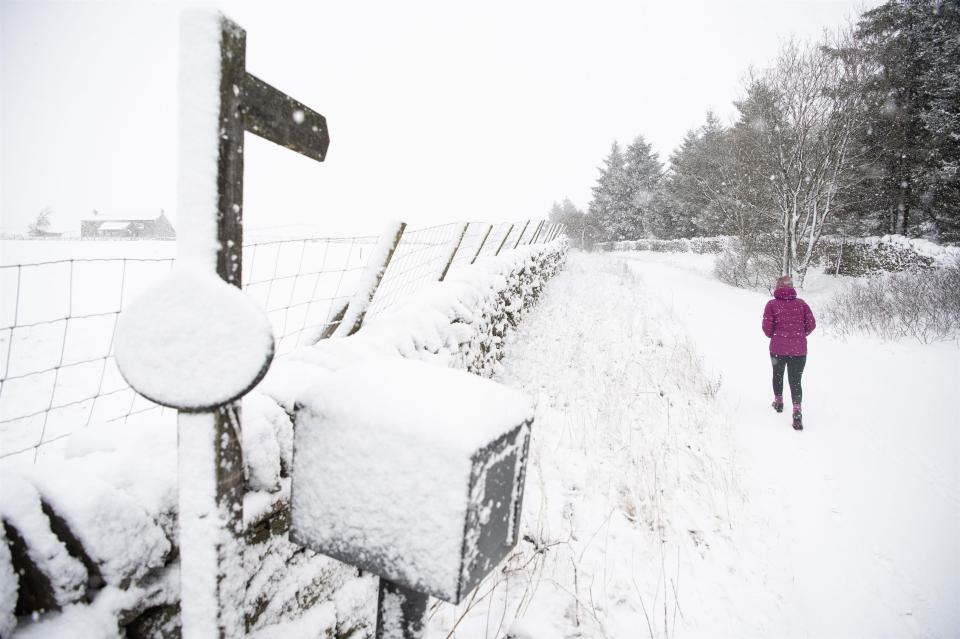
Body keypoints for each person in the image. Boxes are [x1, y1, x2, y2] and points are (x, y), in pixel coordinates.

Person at [762, 275, 816, 430]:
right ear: (792, 287)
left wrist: (776, 335)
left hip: (778, 349)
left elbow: (767, 328)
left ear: (777, 287)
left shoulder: (772, 305)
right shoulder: (801, 304)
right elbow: (811, 324)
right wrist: (799, 334)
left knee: (777, 374)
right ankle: (797, 411)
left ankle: (778, 402)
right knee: (796, 380)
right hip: (799, 350)